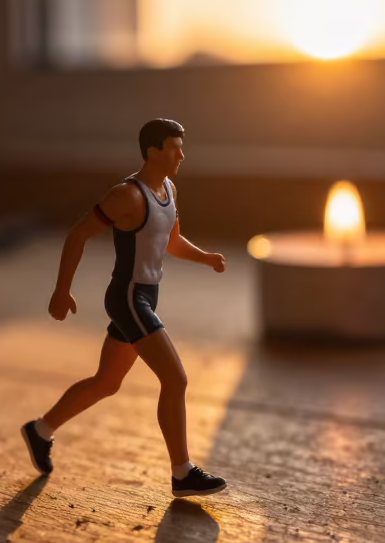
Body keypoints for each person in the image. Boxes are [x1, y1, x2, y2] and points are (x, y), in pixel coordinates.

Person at [21, 118, 229, 498]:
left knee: (107, 381)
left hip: (149, 294)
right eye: (174, 147)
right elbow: (78, 234)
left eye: (182, 147)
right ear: (153, 151)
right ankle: (182, 473)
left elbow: (173, 241)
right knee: (176, 379)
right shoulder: (127, 196)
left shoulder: (168, 189)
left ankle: (40, 430)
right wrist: (61, 290)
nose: (182, 155)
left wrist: (206, 258)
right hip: (128, 298)